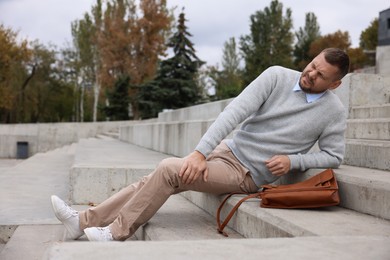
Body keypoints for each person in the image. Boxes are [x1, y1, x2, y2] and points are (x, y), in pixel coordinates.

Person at [51, 48, 350, 241]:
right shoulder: (276, 76)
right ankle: (81, 222)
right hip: (228, 151)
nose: (309, 74)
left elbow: (334, 156)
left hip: (247, 174)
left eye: (320, 74)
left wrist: (293, 161)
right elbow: (234, 112)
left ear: (335, 84)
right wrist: (200, 153)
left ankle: (115, 234)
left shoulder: (333, 111)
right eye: (312, 65)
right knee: (156, 177)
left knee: (169, 170)